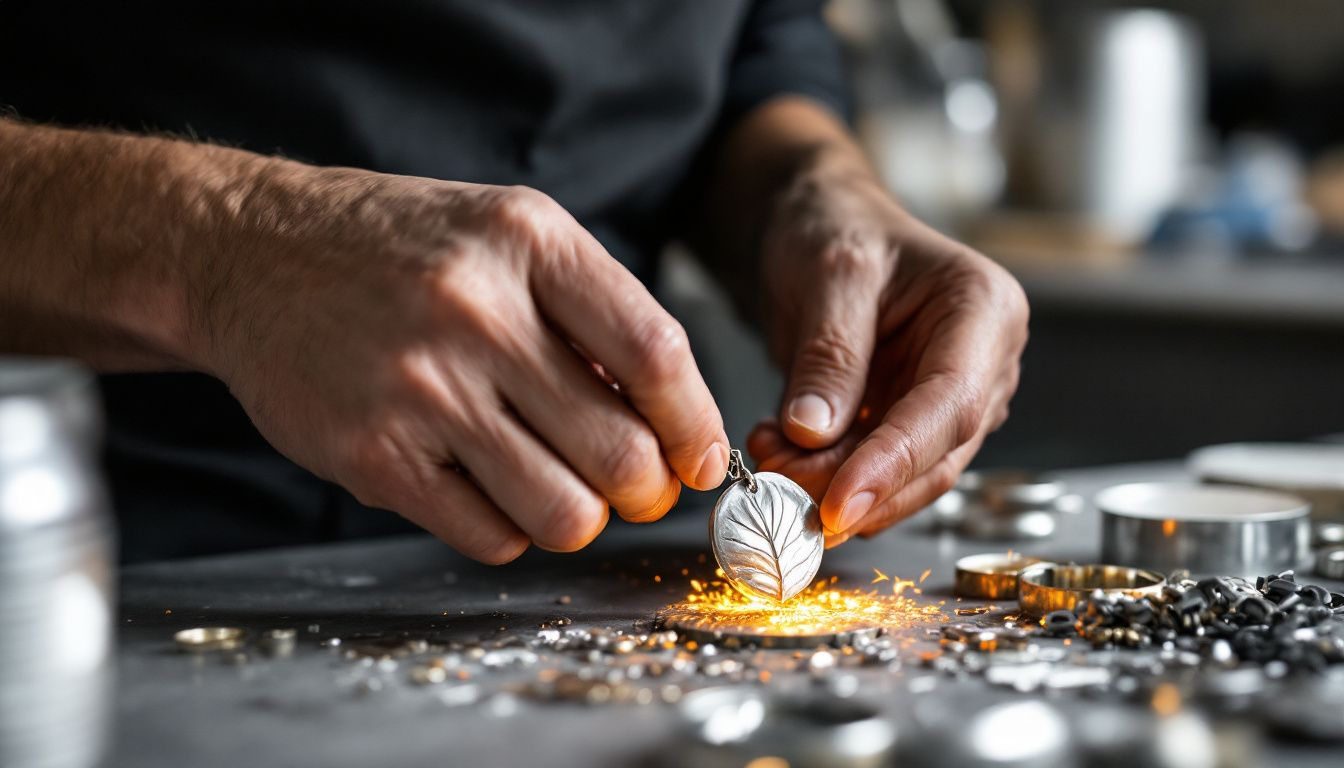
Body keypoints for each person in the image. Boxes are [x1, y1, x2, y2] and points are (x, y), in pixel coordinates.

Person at [0, 1, 1027, 563]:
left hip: (623, 551)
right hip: (99, 546)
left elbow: (753, 39)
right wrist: (220, 251)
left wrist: (811, 193)